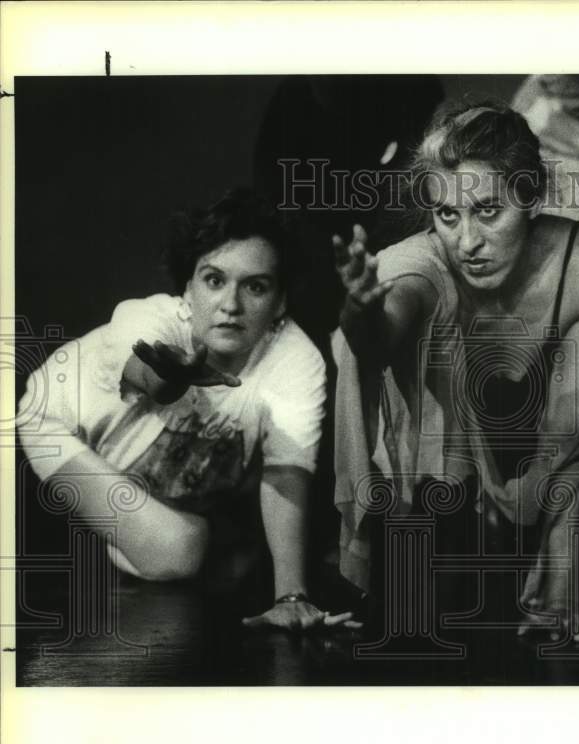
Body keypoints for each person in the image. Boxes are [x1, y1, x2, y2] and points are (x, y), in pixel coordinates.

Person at [331, 102, 579, 639]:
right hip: (423, 471)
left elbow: (574, 419)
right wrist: (361, 314)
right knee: (424, 617)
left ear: (530, 198)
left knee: (527, 618)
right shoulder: (415, 266)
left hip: (525, 454)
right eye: (448, 216)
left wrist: (560, 578)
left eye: (488, 211)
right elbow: (383, 335)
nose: (467, 242)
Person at [16, 189, 359, 631]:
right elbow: (149, 377)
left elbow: (287, 472)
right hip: (54, 425)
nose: (231, 305)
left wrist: (291, 596)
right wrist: (175, 376)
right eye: (215, 280)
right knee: (185, 548)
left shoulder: (296, 358)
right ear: (188, 288)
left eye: (255, 286)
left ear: (281, 302)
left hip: (145, 473)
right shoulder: (148, 319)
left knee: (230, 555)